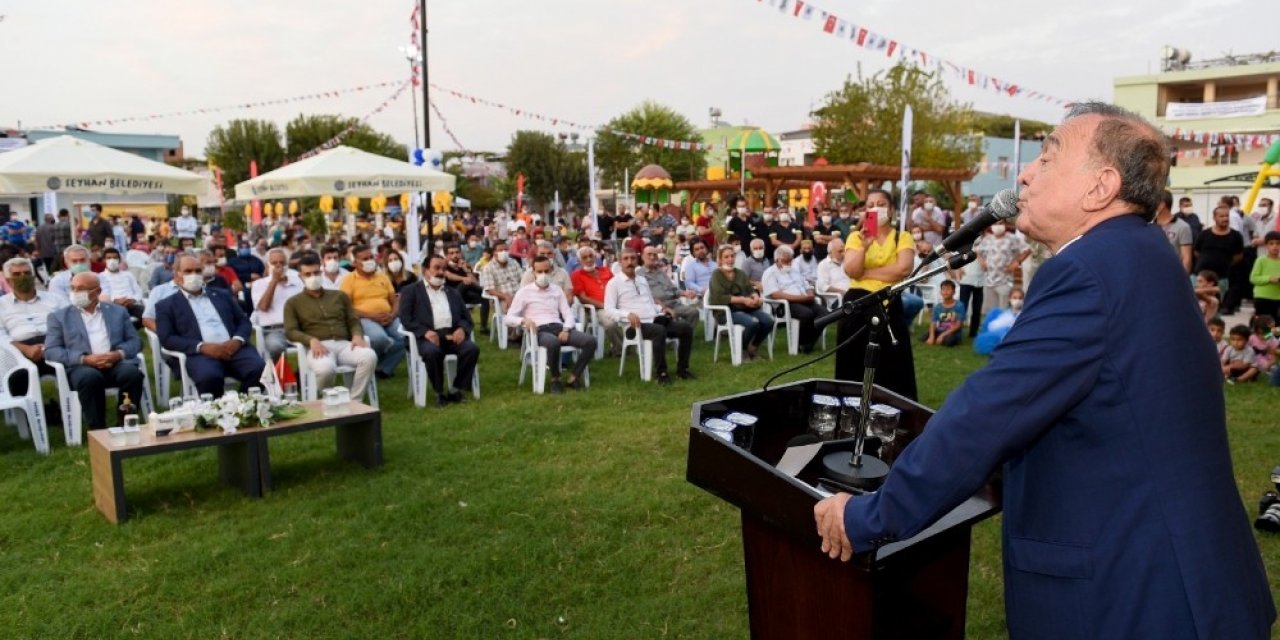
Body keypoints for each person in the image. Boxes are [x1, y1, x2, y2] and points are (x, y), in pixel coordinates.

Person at [813, 102, 1274, 639]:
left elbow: (983, 416)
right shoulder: (1144, 254)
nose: (1026, 174)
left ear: (1100, 187)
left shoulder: (1086, 272)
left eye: (1048, 160)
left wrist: (867, 517)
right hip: (1192, 579)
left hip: (1137, 596)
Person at [835, 189, 917, 399]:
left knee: (893, 361)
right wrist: (864, 247)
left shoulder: (902, 236)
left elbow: (903, 270)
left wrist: (867, 272)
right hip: (858, 302)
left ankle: (892, 407)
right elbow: (852, 271)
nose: (875, 208)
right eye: (870, 205)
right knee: (853, 358)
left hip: (889, 301)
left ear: (890, 209)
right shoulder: (856, 237)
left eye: (881, 204)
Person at [44, 272, 145, 430]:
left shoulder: (118, 312)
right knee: (90, 378)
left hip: (114, 362)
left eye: (81, 288)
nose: (75, 292)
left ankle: (126, 423)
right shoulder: (59, 317)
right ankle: (98, 428)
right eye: (73, 288)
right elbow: (51, 350)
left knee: (132, 375)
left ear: (97, 291)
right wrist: (84, 359)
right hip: (81, 366)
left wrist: (118, 354)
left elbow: (136, 341)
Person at [154, 255, 266, 396]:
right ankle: (217, 411)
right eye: (188, 271)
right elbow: (167, 338)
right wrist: (202, 347)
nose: (194, 275)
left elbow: (243, 321)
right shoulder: (167, 305)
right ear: (177, 276)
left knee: (259, 369)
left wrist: (237, 340)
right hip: (200, 354)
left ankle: (243, 406)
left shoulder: (222, 295)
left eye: (197, 271)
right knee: (209, 377)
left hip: (234, 349)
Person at [283, 254, 378, 400]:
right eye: (308, 274)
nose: (312, 277)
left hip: (344, 344)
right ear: (301, 277)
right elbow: (290, 331)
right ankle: (330, 399)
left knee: (369, 356)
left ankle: (354, 401)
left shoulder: (339, 296)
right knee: (325, 369)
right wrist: (310, 340)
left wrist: (357, 335)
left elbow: (353, 320)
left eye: (315, 273)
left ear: (321, 273)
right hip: (319, 347)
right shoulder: (293, 303)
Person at [505, 255, 596, 393]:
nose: (543, 275)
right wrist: (524, 321)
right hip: (538, 330)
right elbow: (509, 318)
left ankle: (574, 376)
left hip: (558, 327)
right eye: (539, 271)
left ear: (551, 270)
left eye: (546, 271)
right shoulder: (524, 292)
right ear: (533, 272)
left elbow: (567, 313)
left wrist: (566, 329)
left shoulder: (556, 290)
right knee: (553, 343)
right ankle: (555, 379)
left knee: (590, 341)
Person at [603, 248, 695, 384]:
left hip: (654, 319)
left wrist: (662, 308)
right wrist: (627, 315)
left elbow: (650, 303)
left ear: (637, 260)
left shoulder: (641, 280)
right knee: (659, 331)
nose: (630, 262)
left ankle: (683, 370)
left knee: (685, 328)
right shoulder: (614, 283)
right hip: (634, 326)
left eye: (633, 258)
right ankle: (661, 373)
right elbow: (608, 310)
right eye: (626, 259)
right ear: (620, 262)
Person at [399, 255, 478, 406]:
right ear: (425, 270)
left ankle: (456, 389)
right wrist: (425, 332)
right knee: (432, 352)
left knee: (471, 349)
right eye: (436, 268)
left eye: (443, 268)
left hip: (451, 335)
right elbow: (406, 319)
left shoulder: (453, 292)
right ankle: (439, 393)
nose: (441, 272)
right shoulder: (411, 291)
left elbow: (466, 318)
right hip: (425, 337)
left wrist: (461, 329)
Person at [0, 257, 68, 395]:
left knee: (74, 372)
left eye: (26, 273)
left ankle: (66, 413)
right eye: (17, 275)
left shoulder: (55, 299)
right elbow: (1, 336)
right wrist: (25, 349)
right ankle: (29, 416)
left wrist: (50, 346)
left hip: (56, 346)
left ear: (33, 275)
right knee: (17, 379)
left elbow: (70, 324)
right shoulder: (2, 304)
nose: (23, 277)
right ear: (8, 280)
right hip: (18, 351)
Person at [708, 245, 773, 361]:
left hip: (745, 308)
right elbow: (719, 297)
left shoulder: (740, 273)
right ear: (720, 259)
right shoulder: (716, 275)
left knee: (769, 321)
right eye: (726, 257)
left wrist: (755, 296)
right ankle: (742, 350)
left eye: (732, 256)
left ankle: (752, 348)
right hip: (725, 312)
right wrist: (743, 300)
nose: (730, 259)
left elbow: (750, 289)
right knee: (752, 323)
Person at [761, 245, 824, 354]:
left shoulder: (795, 270)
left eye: (791, 260)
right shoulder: (770, 273)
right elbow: (775, 294)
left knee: (825, 314)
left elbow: (807, 285)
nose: (789, 263)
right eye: (786, 261)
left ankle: (807, 343)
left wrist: (810, 294)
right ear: (777, 259)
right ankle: (801, 343)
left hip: (805, 299)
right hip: (786, 304)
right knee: (807, 314)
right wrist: (801, 298)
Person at [251, 248, 305, 360]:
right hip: (273, 330)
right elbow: (263, 306)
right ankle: (285, 375)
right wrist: (274, 281)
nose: (279, 266)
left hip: (298, 328)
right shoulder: (259, 284)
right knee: (275, 347)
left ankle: (304, 374)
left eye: (282, 262)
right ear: (267, 265)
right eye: (274, 263)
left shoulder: (297, 282)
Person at [975, 221, 1030, 313]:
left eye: (1000, 223)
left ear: (1005, 225)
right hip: (989, 280)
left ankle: (1004, 326)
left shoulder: (1012, 238)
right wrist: (982, 262)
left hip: (1005, 280)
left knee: (1004, 310)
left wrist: (1017, 262)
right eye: (995, 224)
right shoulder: (987, 239)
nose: (998, 226)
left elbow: (1027, 249)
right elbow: (977, 250)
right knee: (992, 311)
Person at [639, 245, 700, 326]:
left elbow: (673, 289)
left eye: (654, 255)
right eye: (649, 254)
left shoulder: (660, 272)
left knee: (693, 312)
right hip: (657, 307)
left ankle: (685, 335)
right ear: (643, 257)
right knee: (670, 318)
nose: (652, 257)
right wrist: (663, 307)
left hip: (673, 303)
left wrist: (685, 293)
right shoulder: (639, 275)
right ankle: (680, 333)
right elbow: (645, 297)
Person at [1192, 205, 1244, 300]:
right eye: (1221, 216)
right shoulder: (1204, 234)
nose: (1225, 219)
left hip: (1221, 278)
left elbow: (1239, 256)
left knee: (1215, 304)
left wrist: (1225, 263)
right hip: (1199, 276)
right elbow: (1196, 252)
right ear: (1214, 218)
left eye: (1227, 216)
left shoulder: (1236, 236)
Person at [97, 247, 145, 320]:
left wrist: (132, 300)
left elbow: (138, 291)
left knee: (148, 315)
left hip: (131, 305)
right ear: (104, 260)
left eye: (115, 258)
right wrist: (114, 301)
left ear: (119, 260)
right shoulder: (100, 277)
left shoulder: (128, 275)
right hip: (112, 306)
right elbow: (100, 296)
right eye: (109, 258)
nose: (112, 260)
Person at [1153, 191, 1193, 273]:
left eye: (1154, 202)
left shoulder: (1183, 227)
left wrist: (1183, 279)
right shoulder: (1149, 225)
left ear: (1162, 204)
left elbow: (1186, 257)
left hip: (1173, 273)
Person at [922, 280, 965, 347]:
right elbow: (933, 323)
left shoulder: (959, 305)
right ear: (940, 292)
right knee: (925, 337)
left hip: (952, 332)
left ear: (954, 292)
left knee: (949, 341)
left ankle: (941, 338)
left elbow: (958, 325)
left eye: (948, 289)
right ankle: (936, 337)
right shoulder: (937, 307)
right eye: (943, 289)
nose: (945, 292)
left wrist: (942, 335)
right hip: (940, 330)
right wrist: (931, 336)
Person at [1249, 231, 1280, 323]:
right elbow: (1253, 278)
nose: (1275, 246)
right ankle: (1260, 335)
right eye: (1271, 244)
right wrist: (1269, 278)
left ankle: (1275, 337)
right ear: (1266, 245)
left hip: (1277, 297)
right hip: (1262, 297)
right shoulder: (1261, 260)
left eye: (1278, 244)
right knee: (1263, 322)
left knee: (1276, 322)